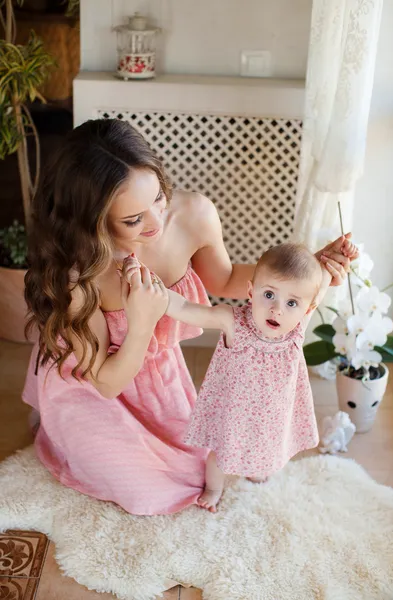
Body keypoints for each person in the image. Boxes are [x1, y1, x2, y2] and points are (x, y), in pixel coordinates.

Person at [23, 118, 354, 516]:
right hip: (93, 382)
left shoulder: (194, 214)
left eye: (159, 198)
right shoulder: (79, 272)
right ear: (93, 221)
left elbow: (229, 279)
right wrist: (141, 321)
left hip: (155, 379)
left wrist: (304, 276)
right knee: (150, 495)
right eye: (133, 220)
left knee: (199, 470)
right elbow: (106, 383)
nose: (157, 223)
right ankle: (57, 423)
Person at [122, 241, 357, 512]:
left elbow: (323, 281)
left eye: (291, 302)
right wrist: (150, 286)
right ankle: (214, 487)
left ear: (306, 308)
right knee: (220, 456)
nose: (277, 309)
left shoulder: (297, 327)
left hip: (272, 412)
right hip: (234, 412)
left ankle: (256, 469)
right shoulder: (233, 321)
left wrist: (340, 255)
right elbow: (186, 309)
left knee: (266, 447)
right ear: (251, 291)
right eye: (269, 295)